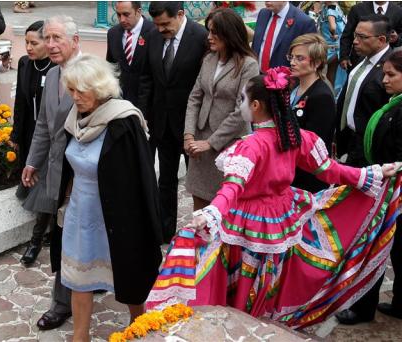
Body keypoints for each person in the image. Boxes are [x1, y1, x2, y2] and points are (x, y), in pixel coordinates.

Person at [146, 67, 402, 329]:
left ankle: (241, 321)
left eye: (243, 100)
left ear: (256, 105)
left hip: (249, 220)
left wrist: (212, 212)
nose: (242, 105)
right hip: (281, 215)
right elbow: (328, 169)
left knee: (233, 271)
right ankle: (262, 319)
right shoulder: (293, 137)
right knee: (269, 274)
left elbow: (233, 186)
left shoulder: (253, 145)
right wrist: (370, 174)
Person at [58, 53, 163, 342]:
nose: (76, 97)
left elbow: (143, 178)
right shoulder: (75, 119)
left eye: (82, 90)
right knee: (80, 275)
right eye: (71, 90)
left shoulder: (123, 121)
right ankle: (81, 336)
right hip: (82, 210)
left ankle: (138, 322)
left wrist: (149, 224)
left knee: (127, 270)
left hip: (119, 214)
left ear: (100, 88)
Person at [335, 50, 402, 324]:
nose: (384, 80)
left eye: (391, 75)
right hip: (386, 183)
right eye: (384, 73)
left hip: (392, 190)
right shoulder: (393, 105)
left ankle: (363, 309)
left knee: (376, 246)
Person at [23, 15, 80, 331]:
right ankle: (66, 298)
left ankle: (65, 301)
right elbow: (44, 125)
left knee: (73, 238)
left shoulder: (92, 75)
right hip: (57, 173)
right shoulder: (53, 74)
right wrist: (33, 161)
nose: (51, 44)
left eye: (58, 38)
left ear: (75, 41)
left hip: (82, 176)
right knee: (63, 238)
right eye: (48, 38)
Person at [138, 1, 208, 243]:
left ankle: (204, 232)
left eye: (166, 24)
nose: (161, 30)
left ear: (180, 14)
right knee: (165, 180)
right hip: (162, 123)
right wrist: (143, 113)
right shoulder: (154, 36)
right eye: (157, 25)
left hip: (193, 126)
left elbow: (205, 85)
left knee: (198, 182)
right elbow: (147, 78)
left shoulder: (200, 37)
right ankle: (164, 230)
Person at [184, 8, 258, 210]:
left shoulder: (248, 65)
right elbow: (195, 97)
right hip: (199, 142)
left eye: (214, 32)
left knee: (225, 209)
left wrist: (210, 142)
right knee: (199, 207)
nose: (209, 37)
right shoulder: (209, 59)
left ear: (230, 33)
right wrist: (189, 135)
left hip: (229, 145)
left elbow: (242, 111)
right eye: (208, 31)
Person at [8, 21, 56, 266]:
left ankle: (35, 240)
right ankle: (49, 230)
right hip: (31, 134)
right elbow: (21, 104)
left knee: (47, 186)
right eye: (26, 42)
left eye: (33, 43)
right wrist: (16, 135)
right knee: (31, 183)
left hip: (53, 136)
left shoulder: (58, 67)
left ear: (47, 43)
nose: (28, 47)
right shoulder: (25, 64)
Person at [336, 15, 392, 167]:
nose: (355, 41)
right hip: (348, 139)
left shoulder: (391, 69)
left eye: (362, 37)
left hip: (368, 148)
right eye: (355, 35)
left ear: (381, 40)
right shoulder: (363, 58)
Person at [288, 33, 336, 193]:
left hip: (307, 177)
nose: (292, 62)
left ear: (316, 63)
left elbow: (314, 142)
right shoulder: (296, 87)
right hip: (291, 170)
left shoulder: (321, 95)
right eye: (292, 57)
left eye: (300, 58)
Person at [106, 1, 154, 108]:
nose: (122, 19)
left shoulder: (154, 32)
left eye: (126, 14)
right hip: (118, 104)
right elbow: (110, 68)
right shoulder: (112, 34)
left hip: (147, 105)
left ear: (138, 12)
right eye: (119, 15)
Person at [252, 1, 316, 72]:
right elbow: (256, 43)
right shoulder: (263, 13)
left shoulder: (304, 22)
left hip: (284, 79)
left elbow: (309, 59)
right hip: (257, 75)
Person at [340, 1, 402, 70]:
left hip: (384, 62)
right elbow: (347, 34)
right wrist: (344, 56)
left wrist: (397, 39)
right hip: (357, 60)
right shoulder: (358, 9)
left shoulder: (398, 11)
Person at [318, 1, 347, 97]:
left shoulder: (330, 9)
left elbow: (333, 26)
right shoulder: (334, 8)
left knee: (320, 71)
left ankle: (328, 94)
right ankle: (330, 94)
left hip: (332, 47)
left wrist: (333, 33)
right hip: (334, 47)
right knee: (330, 73)